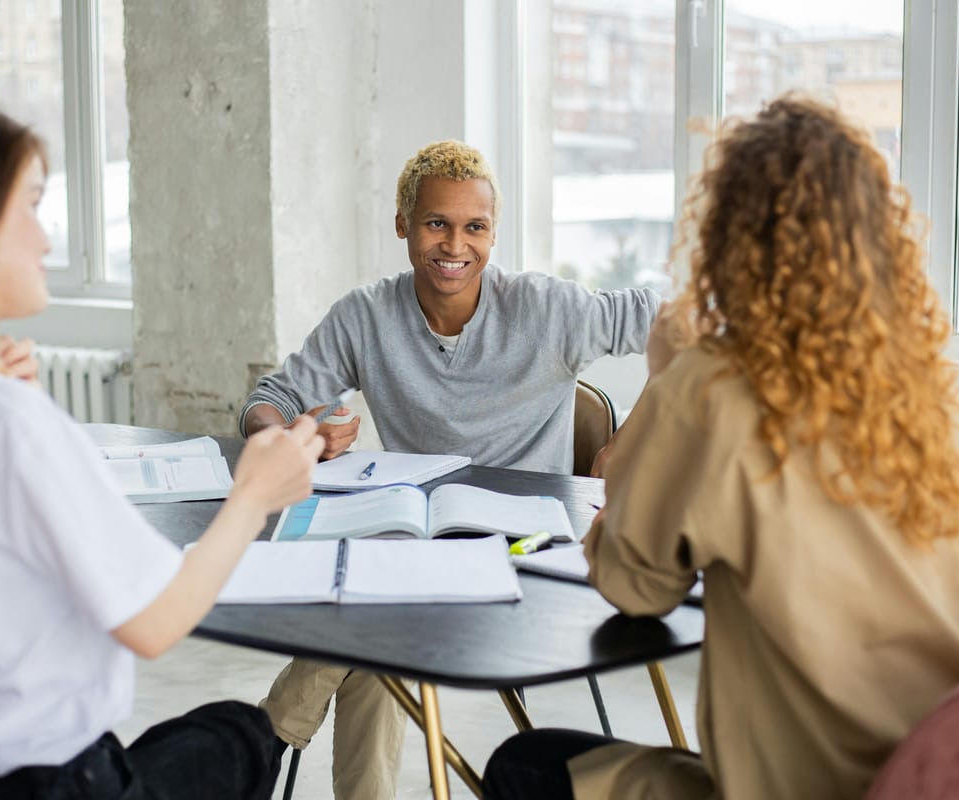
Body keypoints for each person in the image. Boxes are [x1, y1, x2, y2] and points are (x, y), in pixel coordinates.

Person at [480, 95, 959, 800]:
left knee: (524, 766)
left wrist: (665, 375)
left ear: (731, 235)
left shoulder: (715, 388)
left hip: (810, 787)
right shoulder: (935, 399)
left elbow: (631, 583)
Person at [0, 100, 325, 800]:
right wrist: (253, 496)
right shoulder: (6, 422)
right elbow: (157, 622)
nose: (46, 241)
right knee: (241, 740)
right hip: (57, 784)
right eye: (33, 206)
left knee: (211, 734)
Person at [239, 140, 662, 799]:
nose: (454, 245)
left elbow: (690, 328)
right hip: (419, 561)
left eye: (475, 227)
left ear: (493, 232)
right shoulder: (368, 316)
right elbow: (267, 402)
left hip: (529, 559)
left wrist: (630, 443)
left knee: (370, 611)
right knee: (377, 652)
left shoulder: (545, 310)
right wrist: (294, 436)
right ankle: (259, 753)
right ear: (404, 223)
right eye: (436, 222)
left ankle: (253, 746)